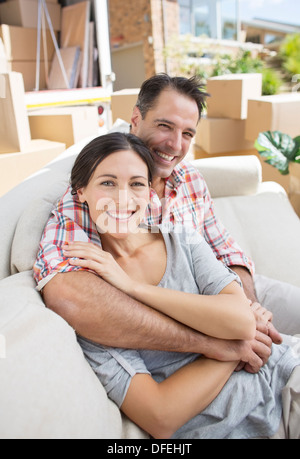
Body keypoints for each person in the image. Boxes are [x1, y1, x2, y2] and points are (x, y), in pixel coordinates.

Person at [34, 132, 300, 439]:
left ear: (149, 192)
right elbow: (160, 417)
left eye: (136, 184)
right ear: (81, 192)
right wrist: (233, 348)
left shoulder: (182, 240)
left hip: (285, 377)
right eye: (108, 183)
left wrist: (135, 288)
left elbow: (241, 320)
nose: (123, 198)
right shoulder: (97, 300)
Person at [37, 73, 297, 372]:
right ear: (136, 119)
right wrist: (211, 342)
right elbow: (70, 294)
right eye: (165, 126)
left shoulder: (189, 178)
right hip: (186, 315)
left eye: (187, 133)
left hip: (226, 292)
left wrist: (250, 307)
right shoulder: (96, 194)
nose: (175, 144)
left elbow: (226, 249)